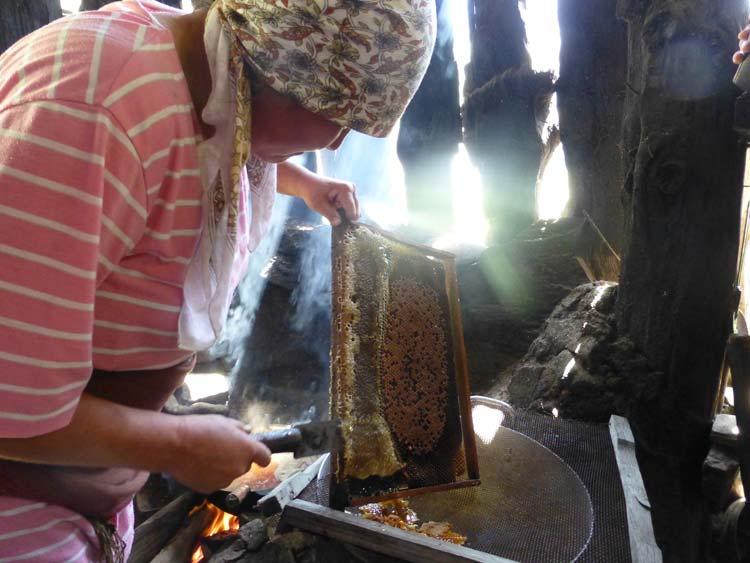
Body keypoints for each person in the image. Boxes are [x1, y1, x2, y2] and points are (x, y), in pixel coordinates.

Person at [0, 0, 435, 559]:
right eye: (339, 116)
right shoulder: (91, 115)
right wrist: (175, 442)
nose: (335, 144)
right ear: (279, 66)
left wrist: (300, 182)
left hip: (81, 481)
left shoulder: (208, 68)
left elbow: (201, 143)